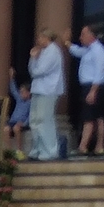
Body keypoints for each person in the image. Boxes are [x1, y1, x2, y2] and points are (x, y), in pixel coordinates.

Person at [26, 29, 67, 160]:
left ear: (46, 38)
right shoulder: (42, 52)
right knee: (35, 120)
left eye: (40, 37)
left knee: (45, 119)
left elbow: (39, 71)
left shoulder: (53, 51)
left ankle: (50, 150)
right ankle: (38, 148)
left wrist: (34, 60)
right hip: (38, 89)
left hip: (49, 90)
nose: (38, 40)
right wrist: (33, 59)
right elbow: (32, 70)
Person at [73, 23, 104, 157]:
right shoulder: (88, 49)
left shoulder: (99, 51)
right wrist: (66, 43)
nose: (81, 37)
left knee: (89, 117)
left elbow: (99, 73)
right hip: (89, 86)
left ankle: (83, 147)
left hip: (94, 87)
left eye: (83, 34)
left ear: (91, 35)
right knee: (98, 117)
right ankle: (98, 147)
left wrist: (93, 91)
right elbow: (77, 51)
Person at [5, 66, 31, 158]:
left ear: (28, 93)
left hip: (21, 123)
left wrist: (24, 123)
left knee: (16, 128)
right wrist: (11, 77)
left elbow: (30, 116)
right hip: (13, 120)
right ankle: (9, 151)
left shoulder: (30, 103)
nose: (21, 94)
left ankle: (19, 151)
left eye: (23, 92)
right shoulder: (19, 99)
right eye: (21, 92)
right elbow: (13, 90)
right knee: (6, 129)